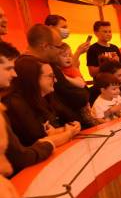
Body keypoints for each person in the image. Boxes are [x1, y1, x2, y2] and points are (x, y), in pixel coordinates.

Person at [0, 41, 59, 176]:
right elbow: (20, 157)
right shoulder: (12, 103)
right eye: (8, 69)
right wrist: (50, 143)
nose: (14, 74)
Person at [22, 24, 92, 128]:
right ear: (45, 46)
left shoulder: (47, 64)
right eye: (58, 46)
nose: (60, 50)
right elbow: (72, 95)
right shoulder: (31, 66)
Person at [3, 56, 80, 147]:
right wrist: (68, 132)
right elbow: (38, 140)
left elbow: (53, 129)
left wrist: (68, 128)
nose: (55, 80)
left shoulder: (43, 97)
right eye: (51, 76)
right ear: (33, 78)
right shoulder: (14, 103)